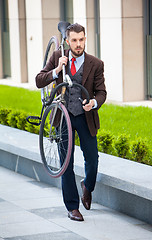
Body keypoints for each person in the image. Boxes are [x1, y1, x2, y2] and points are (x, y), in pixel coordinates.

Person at [35, 23, 107, 221]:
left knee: (92, 159)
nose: (78, 44)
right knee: (66, 163)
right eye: (74, 40)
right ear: (67, 41)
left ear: (85, 39)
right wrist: (57, 70)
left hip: (85, 116)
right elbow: (39, 80)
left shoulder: (96, 63)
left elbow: (102, 93)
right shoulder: (58, 57)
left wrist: (93, 102)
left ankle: (87, 186)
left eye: (81, 40)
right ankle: (72, 207)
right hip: (63, 118)